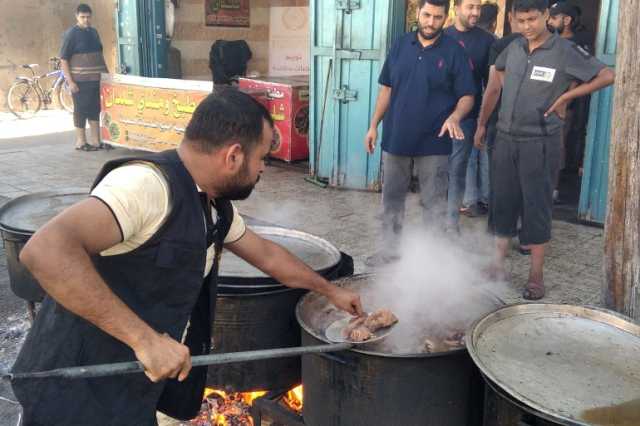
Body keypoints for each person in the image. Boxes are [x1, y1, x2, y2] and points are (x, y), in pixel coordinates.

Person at [11, 88, 363, 425]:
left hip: (129, 390)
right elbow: (45, 250)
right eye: (262, 158)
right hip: (75, 387)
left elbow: (269, 256)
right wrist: (145, 340)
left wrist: (331, 292)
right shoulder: (146, 186)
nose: (262, 170)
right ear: (234, 156)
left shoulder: (212, 202)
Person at [474, 0, 614, 300]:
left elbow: (606, 75)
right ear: (512, 18)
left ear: (546, 17)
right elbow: (494, 88)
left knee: (536, 206)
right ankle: (497, 266)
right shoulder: (513, 48)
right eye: (521, 20)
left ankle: (536, 277)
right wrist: (482, 124)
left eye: (533, 19)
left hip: (540, 142)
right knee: (502, 203)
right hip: (506, 139)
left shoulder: (564, 51)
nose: (527, 26)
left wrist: (567, 97)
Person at [363, 0, 475, 266]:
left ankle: (430, 259)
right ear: (418, 13)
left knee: (433, 204)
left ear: (445, 17)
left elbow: (468, 95)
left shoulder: (454, 51)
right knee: (391, 200)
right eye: (426, 15)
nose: (430, 22)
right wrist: (373, 126)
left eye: (437, 17)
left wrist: (455, 116)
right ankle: (389, 251)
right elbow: (386, 90)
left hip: (434, 141)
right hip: (396, 137)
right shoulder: (401, 44)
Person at [444, 0, 495, 224]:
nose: (476, 12)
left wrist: (483, 123)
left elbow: (491, 87)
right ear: (456, 7)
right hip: (433, 119)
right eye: (470, 7)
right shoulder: (442, 36)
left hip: (465, 119)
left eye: (478, 7)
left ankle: (450, 224)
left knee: (456, 172)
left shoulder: (487, 41)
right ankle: (432, 225)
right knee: (434, 173)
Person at [60, 4, 111, 152]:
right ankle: (81, 142)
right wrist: (70, 81)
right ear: (77, 17)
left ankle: (96, 141)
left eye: (88, 17)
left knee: (95, 109)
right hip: (79, 81)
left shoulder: (94, 33)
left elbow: (100, 55)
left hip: (96, 79)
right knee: (81, 110)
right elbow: (63, 59)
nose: (86, 20)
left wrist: (106, 76)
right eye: (82, 17)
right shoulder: (71, 34)